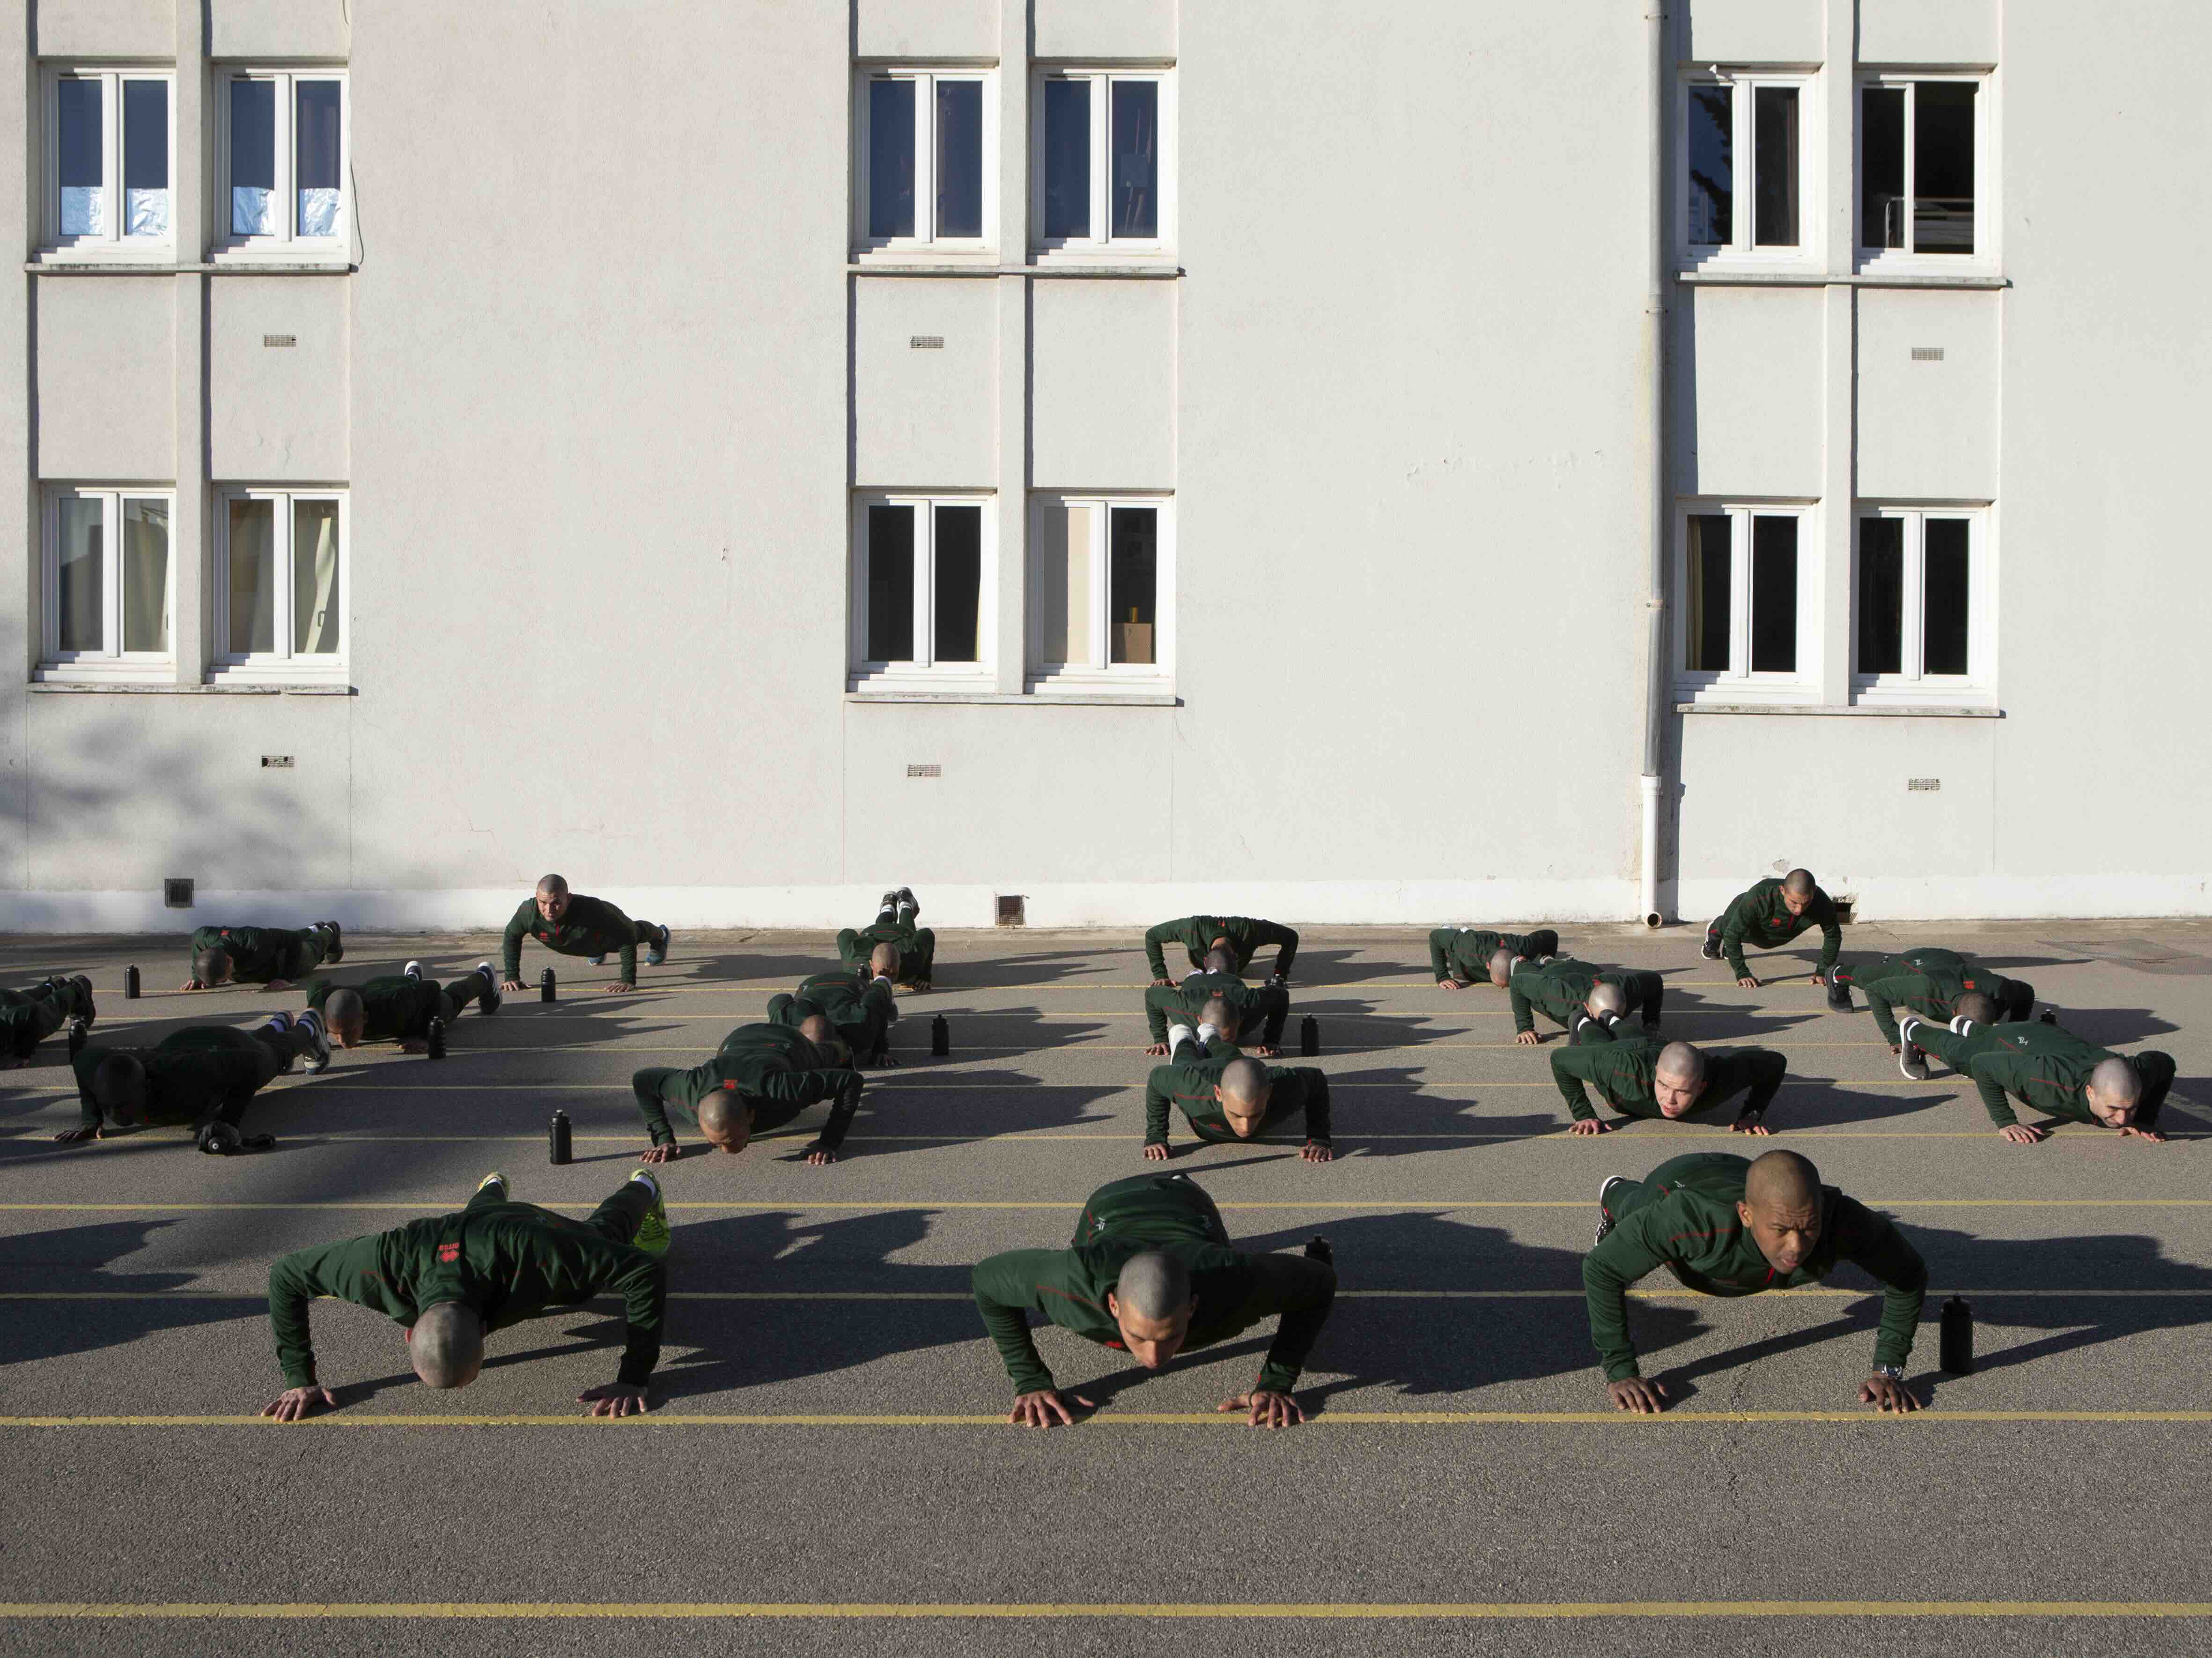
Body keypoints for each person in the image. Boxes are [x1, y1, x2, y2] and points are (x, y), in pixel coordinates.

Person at [261, 1169, 670, 1422]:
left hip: (522, 1227)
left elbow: (644, 1270)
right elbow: (285, 1276)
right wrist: (299, 1379)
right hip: (458, 1231)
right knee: (473, 1217)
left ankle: (644, 1185)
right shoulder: (381, 1268)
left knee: (603, 1239)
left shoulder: (539, 1256)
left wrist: (633, 1379)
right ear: (408, 1331)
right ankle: (491, 1186)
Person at [971, 1172, 1338, 1429]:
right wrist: (1030, 1379)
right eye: (1138, 1337)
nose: (1152, 1358)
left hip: (1188, 1203)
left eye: (1169, 1337)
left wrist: (1276, 1381)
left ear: (1192, 1307)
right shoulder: (1071, 1283)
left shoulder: (1234, 1280)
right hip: (1112, 1203)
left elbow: (1319, 1282)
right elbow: (986, 1280)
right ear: (1113, 1305)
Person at [1585, 1150, 1927, 1413]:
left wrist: (1888, 1371)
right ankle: (1614, 1191)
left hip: (1736, 1172)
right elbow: (1601, 1269)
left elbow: (1908, 1274)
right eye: (1781, 1230)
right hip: (1676, 1183)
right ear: (1746, 1215)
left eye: (1809, 1228)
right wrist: (1621, 1370)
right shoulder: (1689, 1219)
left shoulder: (1841, 1220)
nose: (1796, 1247)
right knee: (1632, 1206)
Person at [55, 1012, 332, 1153]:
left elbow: (248, 1063)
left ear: (146, 1088)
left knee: (271, 1056)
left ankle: (308, 1026)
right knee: (256, 1043)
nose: (117, 1116)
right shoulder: (102, 1074)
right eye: (110, 1108)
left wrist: (229, 1122)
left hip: (218, 1046)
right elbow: (83, 1059)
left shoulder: (183, 1075)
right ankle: (278, 1023)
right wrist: (91, 1117)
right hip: (184, 1043)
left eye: (124, 1107)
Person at [1900, 1010, 2177, 1144]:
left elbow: (2165, 1062)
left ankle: (1969, 1026)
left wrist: (2145, 1118)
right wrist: (2005, 1121)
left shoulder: (2138, 1073)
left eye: (2130, 1109)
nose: (2122, 1120)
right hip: (2013, 1047)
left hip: (2046, 1036)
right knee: (1961, 1057)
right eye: (2114, 1109)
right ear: (2091, 1092)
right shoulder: (2048, 1083)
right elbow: (1983, 1065)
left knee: (1996, 1036)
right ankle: (1913, 1030)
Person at [630, 1019, 865, 1166]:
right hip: (739, 1039)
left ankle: (840, 1044)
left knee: (827, 1050)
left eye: (731, 1140)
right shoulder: (690, 1091)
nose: (726, 1151)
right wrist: (663, 1139)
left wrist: (829, 1143)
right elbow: (643, 1081)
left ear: (750, 1116)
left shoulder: (782, 1090)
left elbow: (850, 1081)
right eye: (717, 1143)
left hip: (789, 1046)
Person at [1141, 1007, 1332, 1162]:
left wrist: (1319, 1138)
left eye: (1256, 1114)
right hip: (1201, 1072)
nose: (1246, 1128)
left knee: (1231, 1055)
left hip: (1239, 1066)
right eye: (1236, 1115)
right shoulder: (1194, 1091)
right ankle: (1182, 1034)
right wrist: (1156, 1137)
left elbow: (1316, 1078)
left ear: (1269, 1092)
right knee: (1184, 1057)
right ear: (1219, 1094)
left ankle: (1210, 1038)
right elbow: (1157, 1078)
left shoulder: (1286, 1088)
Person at [1548, 1030, 1785, 1135]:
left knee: (1631, 1031)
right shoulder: (1623, 1071)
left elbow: (1776, 1063)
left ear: (1701, 1087)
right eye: (1664, 1086)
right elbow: (1559, 1060)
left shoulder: (1722, 1080)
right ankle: (1584, 1020)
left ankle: (1613, 1021)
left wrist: (1752, 1113)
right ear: (1655, 1074)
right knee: (1594, 1037)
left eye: (1682, 1091)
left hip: (1657, 1048)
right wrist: (1583, 1113)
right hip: (1625, 1053)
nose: (1670, 1101)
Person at [1827, 947, 2035, 1052]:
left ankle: (1912, 1001)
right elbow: (1874, 991)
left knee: (1913, 998)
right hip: (1917, 964)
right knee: (1867, 978)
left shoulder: (2001, 989)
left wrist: (2016, 1030)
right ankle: (1836, 973)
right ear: (1954, 1015)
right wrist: (1895, 1037)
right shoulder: (1927, 988)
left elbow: (2027, 991)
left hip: (1951, 961)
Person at [499, 874, 669, 995]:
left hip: (605, 937)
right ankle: (597, 952)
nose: (549, 910)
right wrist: (512, 976)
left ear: (569, 898)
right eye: (543, 903)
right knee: (595, 946)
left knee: (635, 932)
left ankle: (661, 935)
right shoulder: (528, 912)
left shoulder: (593, 909)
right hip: (587, 943)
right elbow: (511, 936)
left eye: (556, 903)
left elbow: (627, 938)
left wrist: (628, 980)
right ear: (536, 897)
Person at [305, 961, 501, 1053]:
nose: (342, 1041)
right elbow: (316, 988)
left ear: (364, 1018)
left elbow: (432, 988)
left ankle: (484, 975)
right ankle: (412, 976)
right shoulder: (324, 1010)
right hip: (385, 987)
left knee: (451, 1001)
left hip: (418, 1003)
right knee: (410, 994)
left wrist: (427, 1036)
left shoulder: (394, 1005)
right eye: (336, 1034)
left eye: (348, 1033)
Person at [1699, 870, 1841, 988]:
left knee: (1742, 942)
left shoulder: (1821, 902)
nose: (1799, 910)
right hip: (1749, 918)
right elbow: (1732, 935)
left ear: (1814, 892)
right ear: (1782, 890)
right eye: (1794, 902)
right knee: (1731, 930)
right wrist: (1742, 973)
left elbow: (1833, 936)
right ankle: (1715, 930)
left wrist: (1823, 970)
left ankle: (1730, 949)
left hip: (1778, 933)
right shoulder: (1760, 896)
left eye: (1806, 903)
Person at [1142, 946, 1290, 1055]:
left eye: (1228, 1040)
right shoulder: (1183, 1007)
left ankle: (1213, 972)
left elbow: (1281, 995)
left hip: (1230, 981)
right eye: (1214, 1037)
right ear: (1200, 1020)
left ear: (1240, 1021)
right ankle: (1200, 973)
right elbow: (1152, 994)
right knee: (1195, 977)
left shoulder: (1252, 1003)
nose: (1221, 1047)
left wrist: (1272, 1039)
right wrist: (1160, 1038)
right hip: (1195, 985)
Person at [1506, 956, 1665, 1044]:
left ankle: (1552, 960)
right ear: (1587, 1007)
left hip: (1585, 968)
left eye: (1617, 1018)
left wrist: (1651, 1025)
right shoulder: (1561, 996)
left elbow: (1655, 980)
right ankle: (1534, 962)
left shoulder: (1630, 990)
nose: (1611, 1022)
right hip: (1553, 975)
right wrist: (1525, 1027)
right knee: (1521, 971)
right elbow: (1517, 983)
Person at [768, 965, 900, 1065]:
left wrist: (881, 1050)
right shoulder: (789, 1028)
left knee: (883, 999)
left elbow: (875, 998)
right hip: (811, 985)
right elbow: (778, 1001)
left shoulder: (860, 1026)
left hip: (852, 984)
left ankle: (873, 979)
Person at [182, 921, 343, 991]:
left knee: (311, 950)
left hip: (283, 960)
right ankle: (313, 928)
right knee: (280, 938)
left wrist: (286, 978)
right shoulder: (204, 936)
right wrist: (196, 976)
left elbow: (293, 940)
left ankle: (329, 930)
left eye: (225, 978)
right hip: (261, 963)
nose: (226, 981)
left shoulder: (255, 940)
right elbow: (195, 941)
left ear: (230, 960)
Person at [1144, 915, 1299, 985]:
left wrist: (1280, 974)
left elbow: (1291, 937)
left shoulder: (1251, 931)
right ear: (1205, 961)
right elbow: (1152, 936)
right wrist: (1161, 975)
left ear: (1237, 957)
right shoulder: (1192, 929)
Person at [837, 888, 936, 990]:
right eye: (881, 973)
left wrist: (924, 977)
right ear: (871, 964)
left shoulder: (913, 957)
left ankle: (898, 905)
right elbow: (844, 935)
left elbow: (927, 934)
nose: (887, 980)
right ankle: (897, 905)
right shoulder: (854, 963)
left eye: (893, 974)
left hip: (901, 934)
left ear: (900, 963)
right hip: (873, 933)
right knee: (907, 934)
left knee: (909, 932)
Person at [0, 974, 96, 1066]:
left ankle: (77, 989)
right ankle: (52, 986)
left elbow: (32, 1014)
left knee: (48, 1014)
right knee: (20, 1001)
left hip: (21, 1012)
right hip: (8, 1003)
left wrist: (23, 1054)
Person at [1427, 925, 1561, 989]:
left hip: (1496, 943)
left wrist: (1547, 959)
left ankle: (1466, 931)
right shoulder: (1469, 947)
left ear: (1520, 959)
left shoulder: (1525, 946)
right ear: (1488, 966)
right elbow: (1435, 936)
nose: (1503, 989)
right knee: (1459, 972)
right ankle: (1455, 931)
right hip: (1467, 954)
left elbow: (1551, 935)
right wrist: (1442, 976)